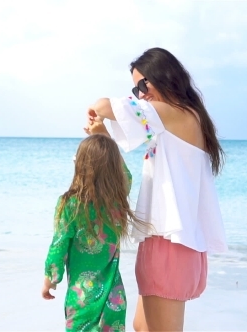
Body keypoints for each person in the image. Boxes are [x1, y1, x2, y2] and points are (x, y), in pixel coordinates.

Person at [86, 47, 228, 331]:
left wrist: (99, 111)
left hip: (172, 244)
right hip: (163, 239)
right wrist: (102, 133)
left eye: (143, 84)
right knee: (142, 326)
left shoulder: (177, 113)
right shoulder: (172, 124)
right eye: (135, 88)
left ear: (165, 76)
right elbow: (130, 135)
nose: (140, 94)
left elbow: (103, 105)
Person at [41, 126, 147, 331]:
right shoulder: (116, 202)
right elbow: (127, 177)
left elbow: (58, 246)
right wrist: (106, 138)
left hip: (82, 297)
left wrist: (49, 279)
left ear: (80, 165)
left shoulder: (70, 204)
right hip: (114, 297)